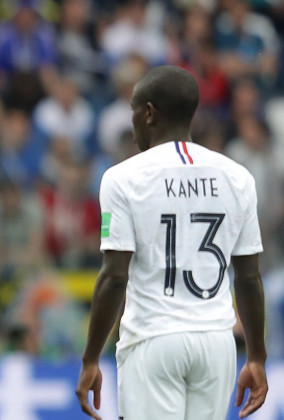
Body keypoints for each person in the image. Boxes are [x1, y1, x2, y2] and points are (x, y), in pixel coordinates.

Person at [76, 65, 268, 420]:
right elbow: (249, 277)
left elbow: (115, 276)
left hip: (154, 339)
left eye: (134, 112)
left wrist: (90, 358)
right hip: (216, 343)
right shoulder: (238, 178)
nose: (132, 129)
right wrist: (256, 355)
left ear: (148, 113)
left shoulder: (122, 179)